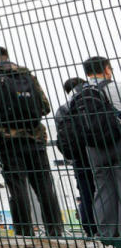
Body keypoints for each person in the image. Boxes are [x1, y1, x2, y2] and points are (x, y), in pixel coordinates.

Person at [0, 46, 62, 237]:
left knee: (17, 186)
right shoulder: (26, 74)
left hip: (7, 140)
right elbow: (45, 107)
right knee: (44, 185)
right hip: (36, 138)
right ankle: (56, 231)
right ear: (7, 57)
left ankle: (25, 232)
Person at [78, 56, 121, 238]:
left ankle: (106, 234)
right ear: (106, 69)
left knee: (102, 188)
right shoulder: (115, 87)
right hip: (118, 141)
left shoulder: (78, 92)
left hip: (93, 147)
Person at [54, 77, 97, 237]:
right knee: (105, 189)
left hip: (78, 157)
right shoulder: (89, 100)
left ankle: (90, 229)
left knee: (86, 193)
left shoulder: (62, 109)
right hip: (96, 150)